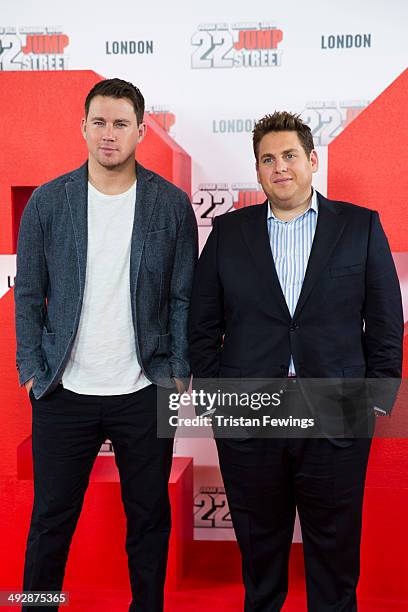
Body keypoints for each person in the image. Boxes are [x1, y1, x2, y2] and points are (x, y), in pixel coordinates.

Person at [188, 111, 403, 611]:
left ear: (311, 160)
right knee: (260, 556)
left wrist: (376, 397)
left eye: (288, 155)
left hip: (336, 416)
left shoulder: (361, 227)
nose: (279, 167)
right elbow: (201, 324)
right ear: (258, 170)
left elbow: (386, 321)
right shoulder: (227, 233)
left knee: (334, 556)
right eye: (267, 159)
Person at [15, 78, 198, 612]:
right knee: (50, 520)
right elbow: (28, 294)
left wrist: (177, 371)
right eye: (99, 122)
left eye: (121, 124)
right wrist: (31, 367)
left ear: (141, 131)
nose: (109, 134)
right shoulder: (50, 202)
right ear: (83, 127)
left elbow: (183, 295)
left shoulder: (170, 205)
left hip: (143, 389)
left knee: (148, 519)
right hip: (63, 389)